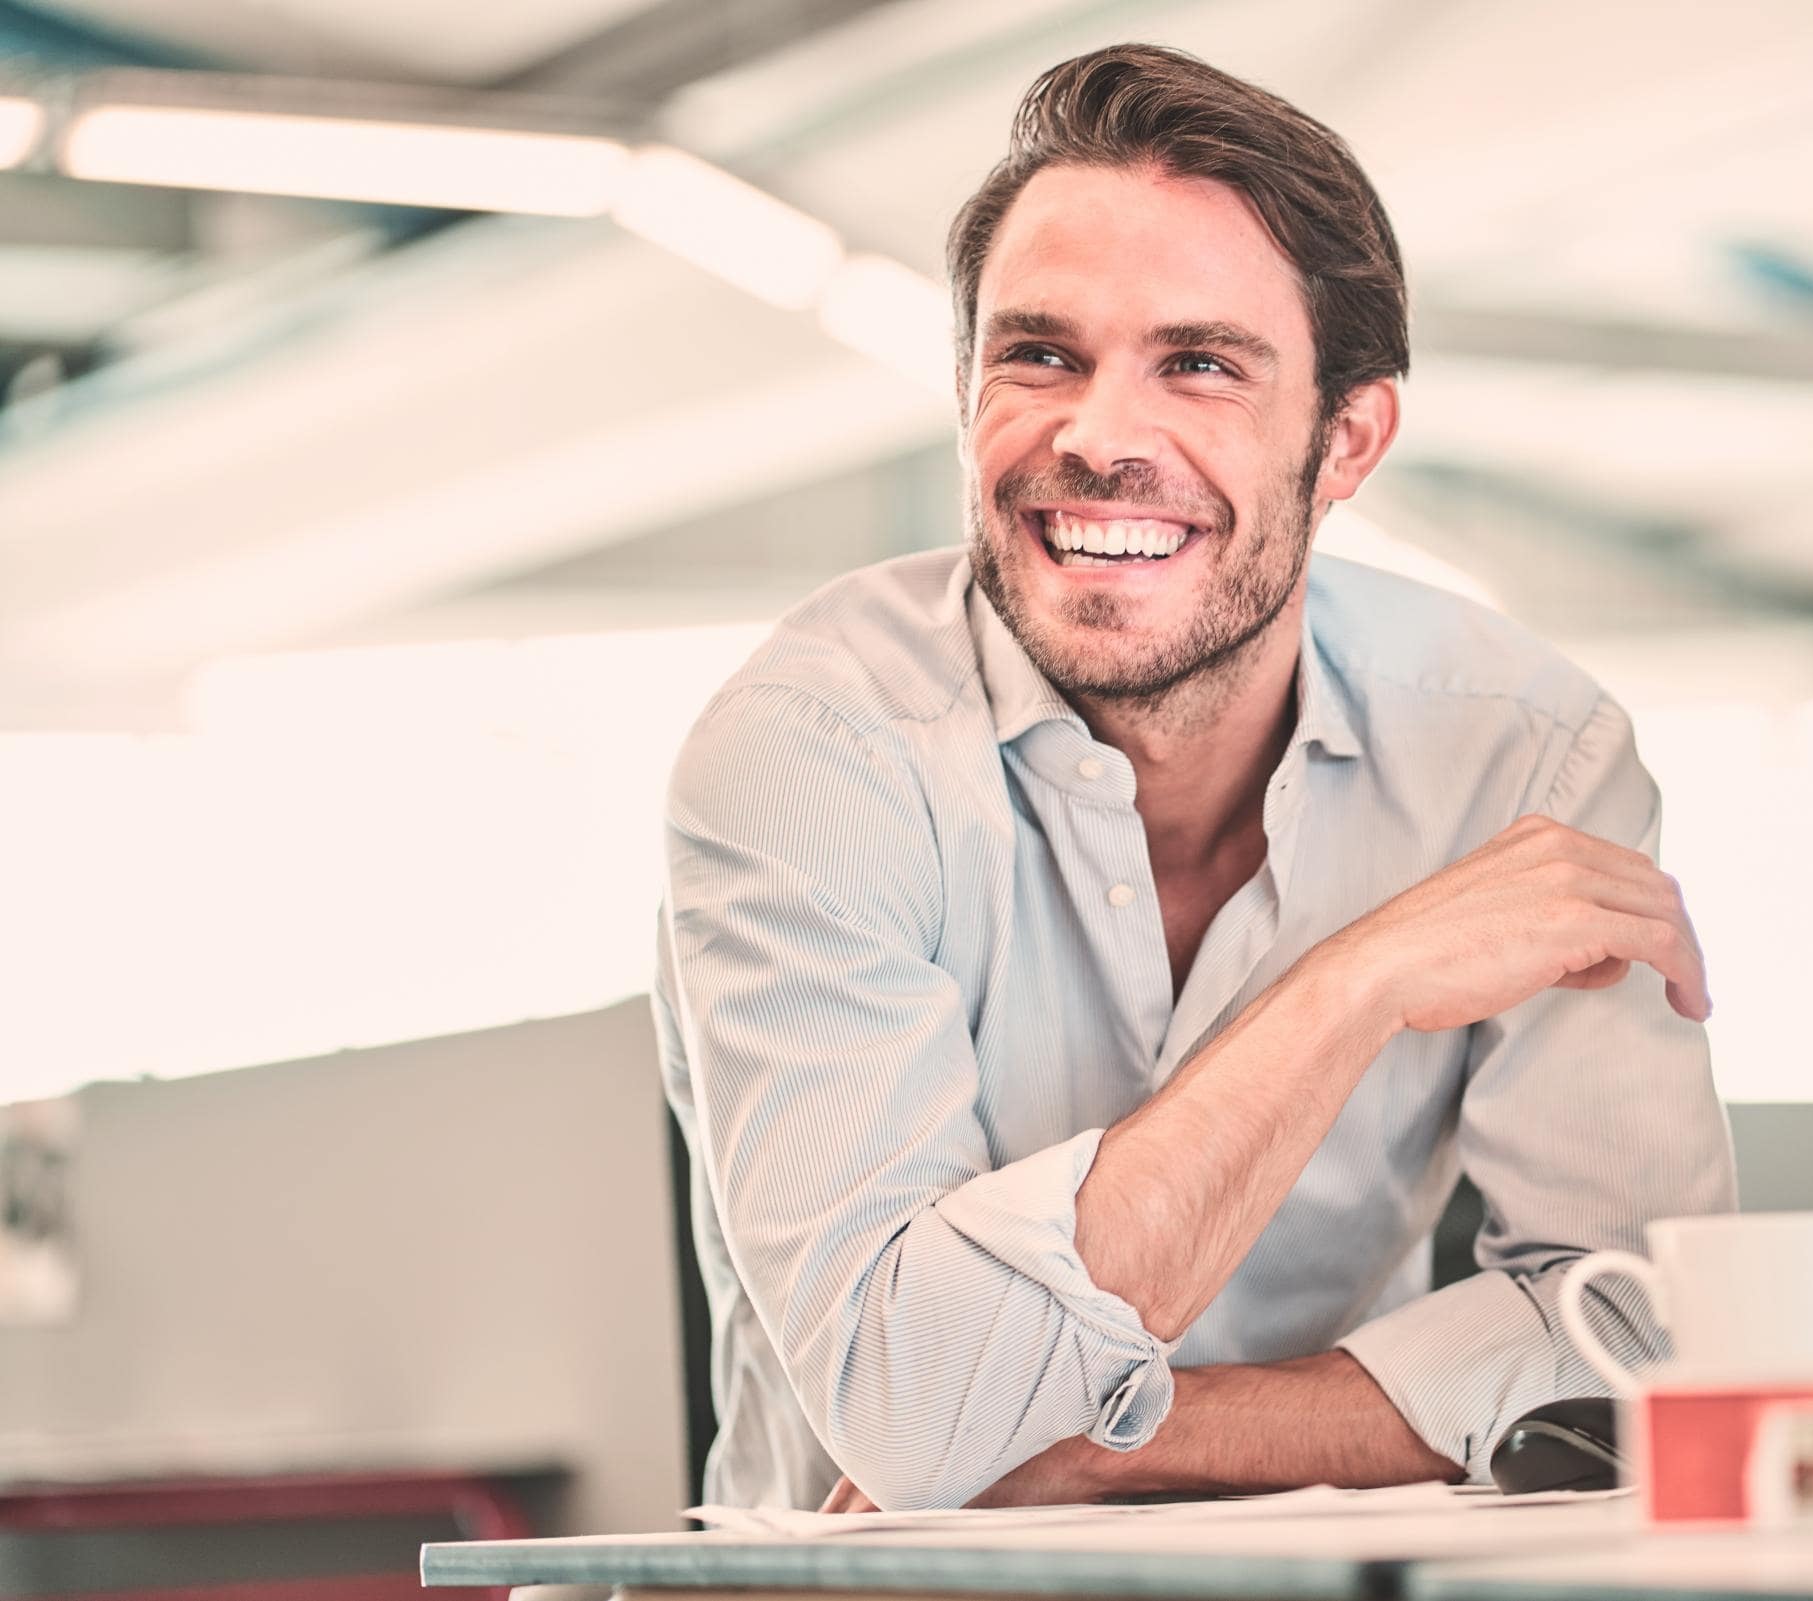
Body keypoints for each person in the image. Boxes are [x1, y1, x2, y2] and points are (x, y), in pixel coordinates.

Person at [653, 42, 1734, 1515]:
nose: (1098, 438)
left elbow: (1636, 1340)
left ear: (1347, 436)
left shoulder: (1523, 755)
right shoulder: (812, 752)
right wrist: (1360, 982)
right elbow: (912, 1413)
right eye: (1039, 356)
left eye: (1200, 365)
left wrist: (1119, 1437)